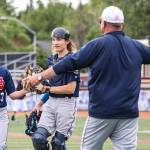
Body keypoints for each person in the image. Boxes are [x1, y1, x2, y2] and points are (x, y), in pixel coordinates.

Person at [24, 5, 150, 150]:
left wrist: (39, 77)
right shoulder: (136, 46)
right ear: (122, 25)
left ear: (103, 22)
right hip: (129, 114)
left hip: (102, 113)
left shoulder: (97, 45)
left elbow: (67, 63)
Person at [31, 27, 80, 150]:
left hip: (67, 104)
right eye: (53, 39)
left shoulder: (73, 60)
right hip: (51, 102)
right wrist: (39, 103)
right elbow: (49, 87)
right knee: (38, 139)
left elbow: (70, 89)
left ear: (67, 41)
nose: (55, 42)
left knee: (58, 143)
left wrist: (46, 88)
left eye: (59, 39)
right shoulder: (51, 60)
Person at [0, 68, 29, 150]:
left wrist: (27, 90)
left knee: (1, 146)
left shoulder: (4, 72)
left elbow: (12, 94)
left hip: (1, 113)